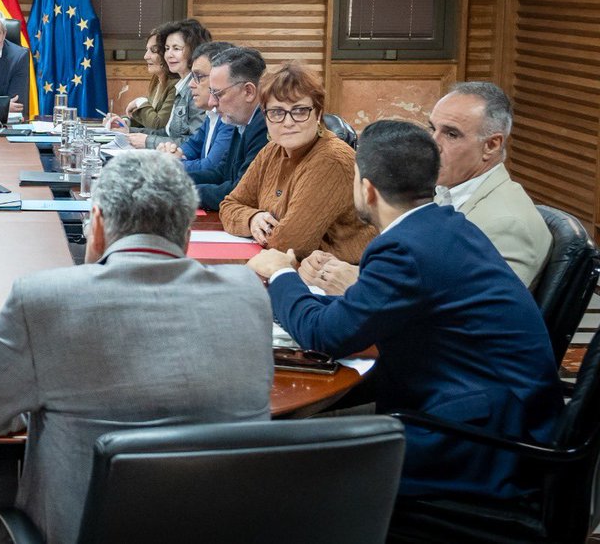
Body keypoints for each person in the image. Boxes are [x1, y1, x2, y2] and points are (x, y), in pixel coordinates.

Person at [0, 151, 274, 543]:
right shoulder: (249, 294)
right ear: (187, 234)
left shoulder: (45, 301)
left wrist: (33, 403)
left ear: (96, 224)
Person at [246, 119, 562, 500]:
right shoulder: (445, 226)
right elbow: (362, 312)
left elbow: (326, 336)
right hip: (500, 415)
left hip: (477, 442)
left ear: (367, 189)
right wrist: (302, 300)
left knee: (268, 467)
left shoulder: (403, 249)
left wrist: (280, 273)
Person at [300, 81, 552, 293]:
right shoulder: (447, 192)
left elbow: (465, 319)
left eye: (451, 134)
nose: (432, 143)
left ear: (492, 145)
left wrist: (360, 284)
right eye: (433, 129)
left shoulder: (506, 223)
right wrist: (336, 270)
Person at [219, 62, 377, 262]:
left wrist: (263, 228)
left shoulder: (331, 160)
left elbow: (288, 244)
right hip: (294, 270)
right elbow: (229, 204)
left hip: (338, 280)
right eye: (277, 112)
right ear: (265, 116)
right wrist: (252, 218)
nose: (288, 122)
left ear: (318, 113)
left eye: (300, 111)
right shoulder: (272, 150)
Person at [190, 46, 269, 210]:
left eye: (218, 94)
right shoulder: (240, 120)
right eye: (211, 93)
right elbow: (220, 174)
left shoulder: (266, 125)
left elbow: (241, 191)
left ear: (248, 91)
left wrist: (181, 192)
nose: (212, 102)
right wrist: (172, 179)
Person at [124, 18, 212, 149]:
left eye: (176, 48)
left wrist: (148, 141)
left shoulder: (197, 89)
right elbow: (168, 133)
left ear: (194, 51)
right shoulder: (180, 86)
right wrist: (128, 133)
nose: (168, 55)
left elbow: (196, 143)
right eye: (167, 48)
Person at [155, 41, 236, 178]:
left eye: (199, 77)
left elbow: (210, 168)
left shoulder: (230, 117)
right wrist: (175, 152)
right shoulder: (212, 114)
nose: (191, 85)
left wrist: (169, 163)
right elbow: (193, 145)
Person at [123, 27, 177, 128]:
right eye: (147, 50)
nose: (145, 56)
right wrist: (125, 122)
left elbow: (157, 125)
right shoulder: (157, 80)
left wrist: (140, 101)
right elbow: (148, 119)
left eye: (153, 50)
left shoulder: (175, 85)